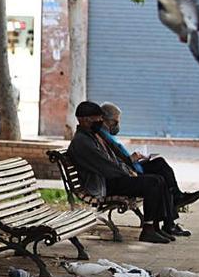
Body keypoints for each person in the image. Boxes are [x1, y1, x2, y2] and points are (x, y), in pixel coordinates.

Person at [66, 100, 184, 244]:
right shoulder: (83, 141)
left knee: (158, 179)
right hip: (103, 185)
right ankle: (148, 230)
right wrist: (128, 173)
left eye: (101, 118)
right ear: (84, 120)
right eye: (96, 118)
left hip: (111, 178)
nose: (100, 121)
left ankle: (155, 227)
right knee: (152, 182)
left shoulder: (92, 136)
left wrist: (127, 169)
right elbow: (107, 166)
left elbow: (112, 162)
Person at [98, 102, 199, 220]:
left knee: (160, 164)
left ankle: (176, 200)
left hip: (130, 166)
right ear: (105, 119)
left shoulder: (106, 135)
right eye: (115, 122)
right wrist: (131, 159)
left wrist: (134, 159)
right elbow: (112, 162)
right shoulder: (101, 137)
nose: (117, 125)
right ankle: (164, 221)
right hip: (126, 171)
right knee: (159, 179)